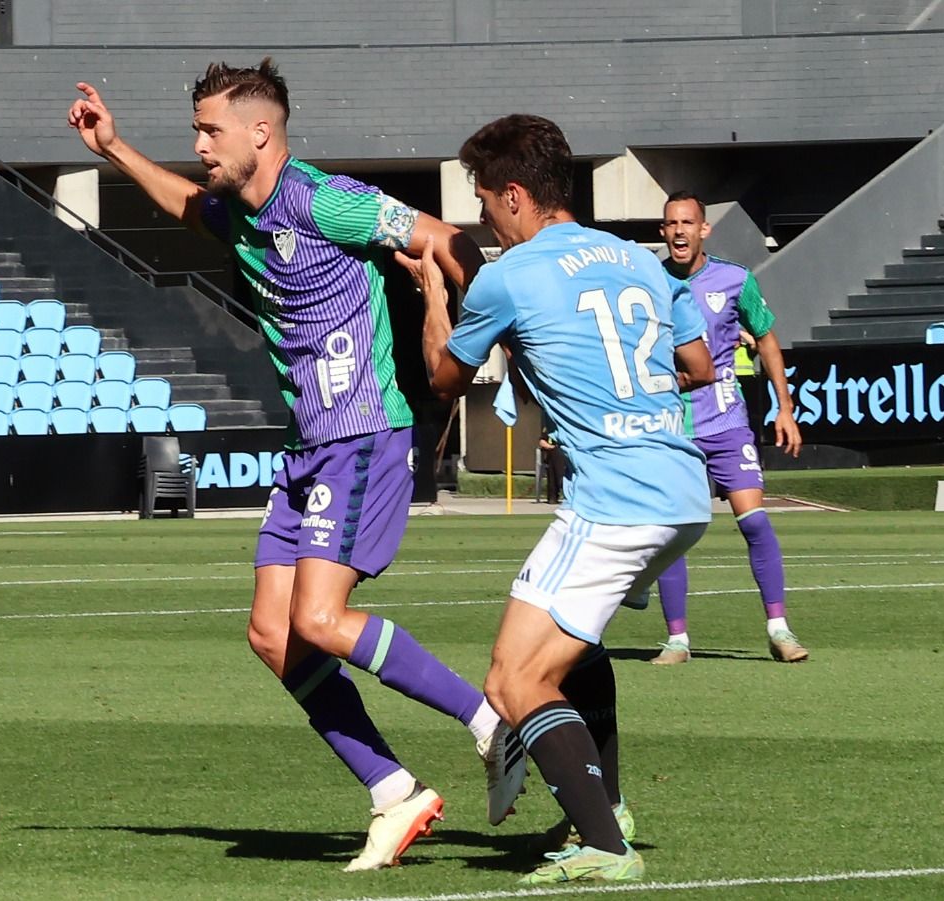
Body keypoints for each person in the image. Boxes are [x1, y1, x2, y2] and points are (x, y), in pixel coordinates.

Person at [67, 59, 526, 871]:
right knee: (273, 635)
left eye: (211, 131)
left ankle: (491, 723)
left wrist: (486, 340)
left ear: (260, 132)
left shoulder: (325, 200)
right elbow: (184, 204)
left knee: (317, 620)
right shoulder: (242, 211)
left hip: (362, 433)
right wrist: (113, 147)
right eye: (198, 130)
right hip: (309, 448)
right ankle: (394, 790)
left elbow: (446, 240)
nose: (200, 144)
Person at [399, 113, 715, 885]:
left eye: (483, 204)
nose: (481, 220)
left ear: (515, 195)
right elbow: (700, 365)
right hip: (682, 486)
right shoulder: (642, 261)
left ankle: (606, 843)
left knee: (513, 679)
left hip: (616, 497)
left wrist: (435, 290)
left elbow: (443, 378)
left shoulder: (511, 274)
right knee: (579, 646)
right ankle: (607, 802)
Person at [652, 191, 807, 665]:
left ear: (703, 229)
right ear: (663, 231)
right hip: (671, 423)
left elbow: (766, 337)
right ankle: (677, 639)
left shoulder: (735, 280)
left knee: (755, 522)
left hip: (725, 418)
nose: (679, 230)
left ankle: (779, 630)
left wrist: (785, 406)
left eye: (687, 223)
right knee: (674, 530)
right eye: (671, 223)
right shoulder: (647, 281)